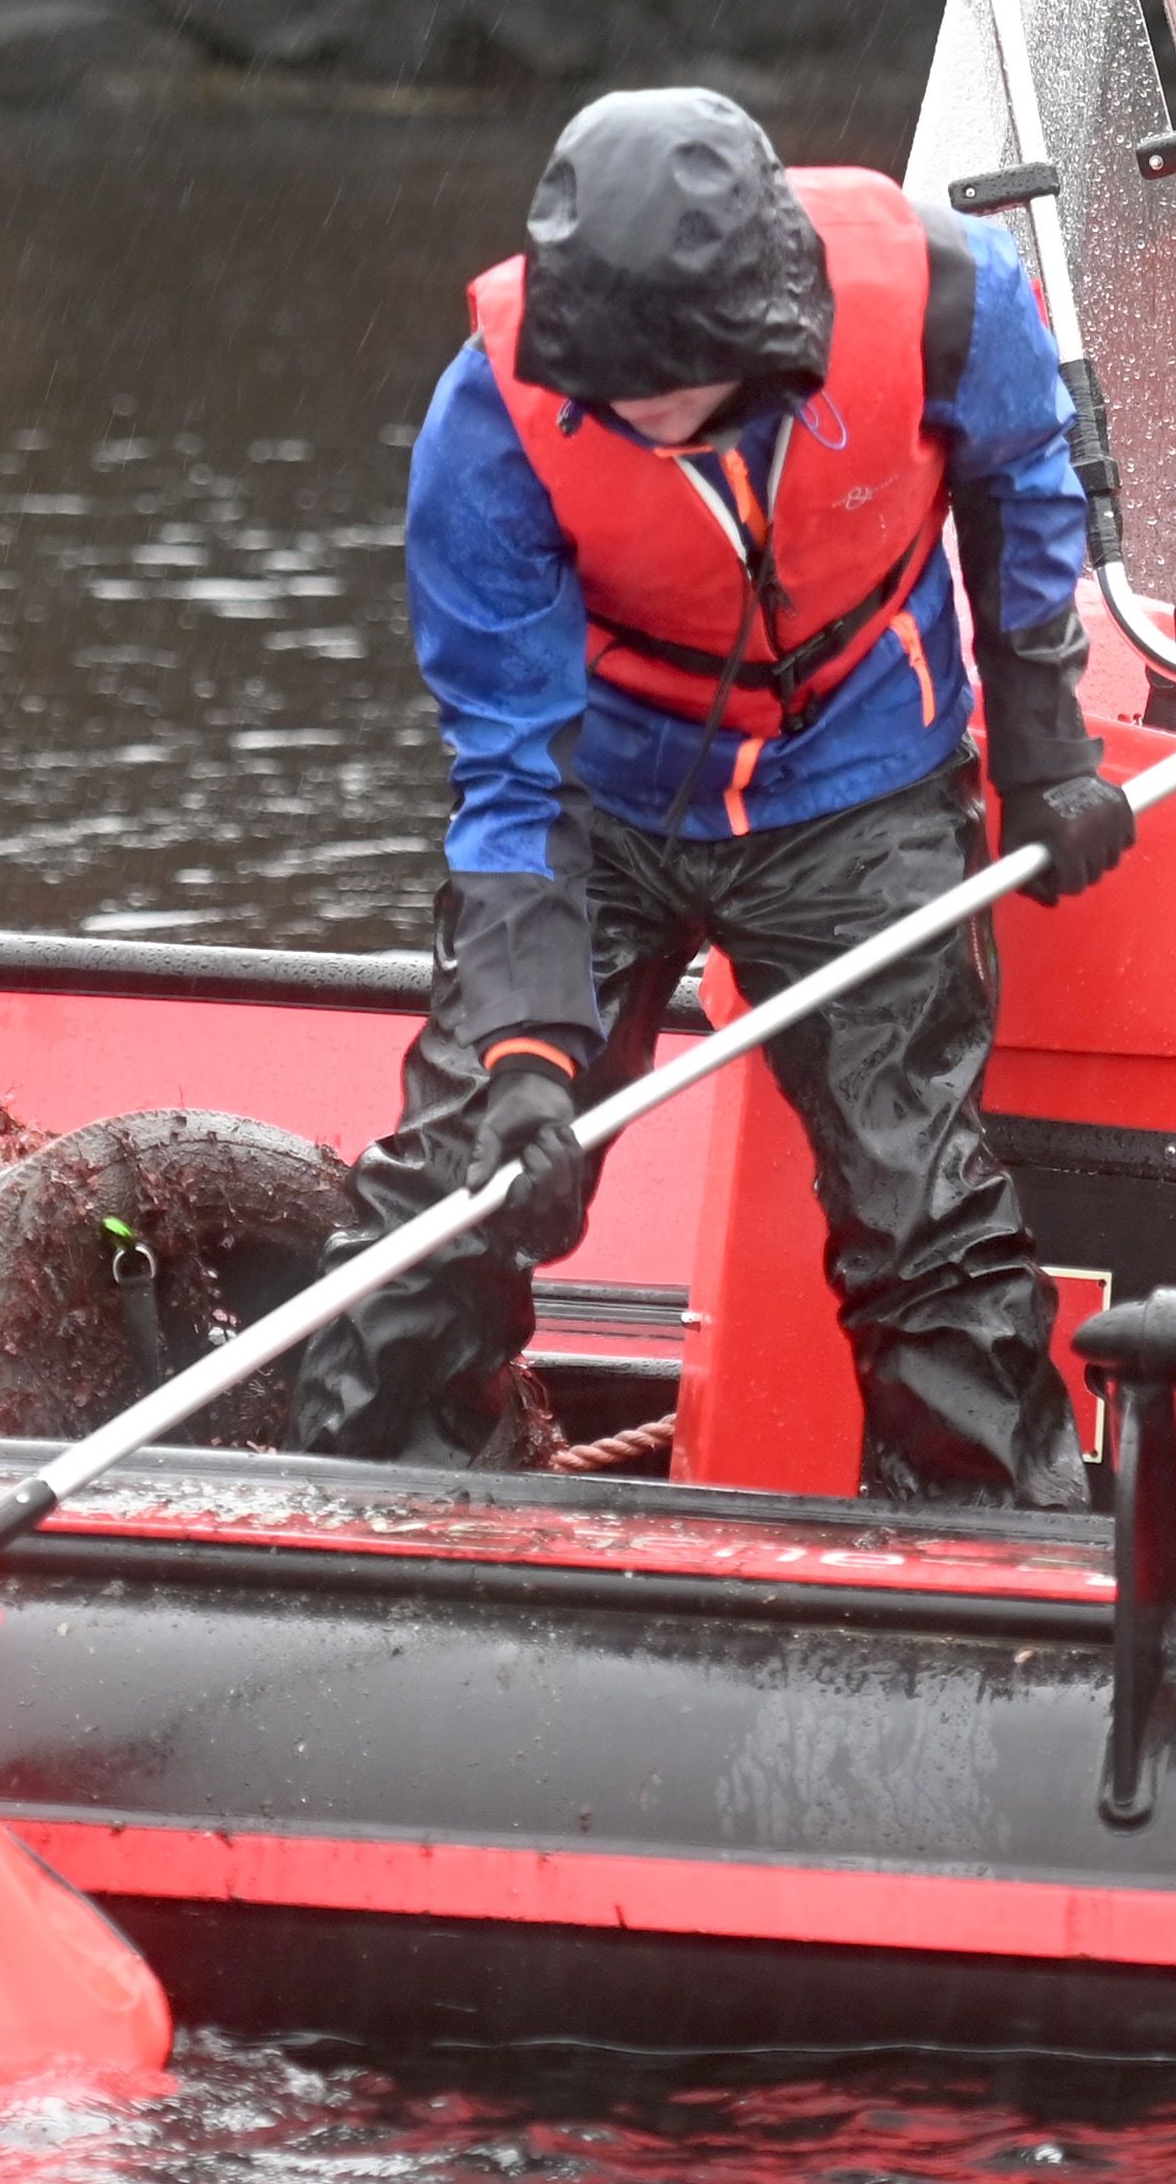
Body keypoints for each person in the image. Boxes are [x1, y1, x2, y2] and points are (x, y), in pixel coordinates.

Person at [290, 88, 1123, 1501]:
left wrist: (1044, 746)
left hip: (866, 785)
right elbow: (507, 761)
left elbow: (1028, 475)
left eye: (670, 390)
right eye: (611, 393)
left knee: (917, 1198)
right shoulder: (490, 422)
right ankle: (364, 1496)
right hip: (601, 797)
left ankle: (985, 1549)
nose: (641, 418)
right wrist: (527, 1064)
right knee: (465, 1177)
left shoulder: (944, 297)